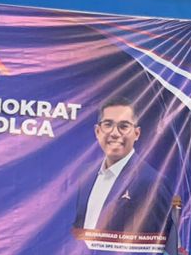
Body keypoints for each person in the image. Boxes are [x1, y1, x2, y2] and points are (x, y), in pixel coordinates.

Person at [71, 97, 168, 236]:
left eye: (124, 126)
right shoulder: (85, 174)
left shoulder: (152, 182)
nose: (115, 133)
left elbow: (156, 242)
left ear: (137, 133)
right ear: (98, 131)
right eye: (108, 124)